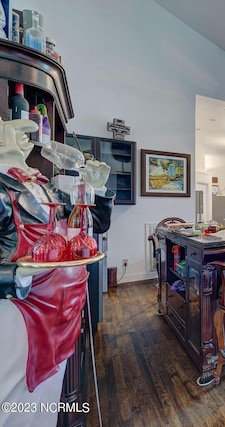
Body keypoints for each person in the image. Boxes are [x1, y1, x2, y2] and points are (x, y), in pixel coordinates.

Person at [0, 118, 114, 426]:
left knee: (45, 403)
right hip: (22, 312)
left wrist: (98, 187)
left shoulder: (42, 187)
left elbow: (94, 223)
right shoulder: (3, 188)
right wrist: (18, 274)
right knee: (16, 402)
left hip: (64, 309)